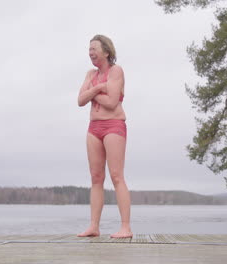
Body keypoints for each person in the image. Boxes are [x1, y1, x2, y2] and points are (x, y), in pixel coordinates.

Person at [76, 35, 132, 238]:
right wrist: (99, 87)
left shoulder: (116, 71)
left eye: (94, 49)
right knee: (96, 178)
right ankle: (94, 226)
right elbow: (80, 100)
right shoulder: (90, 73)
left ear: (106, 52)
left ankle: (125, 227)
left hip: (113, 126)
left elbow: (111, 102)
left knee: (117, 176)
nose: (90, 52)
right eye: (89, 49)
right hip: (94, 128)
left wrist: (91, 91)